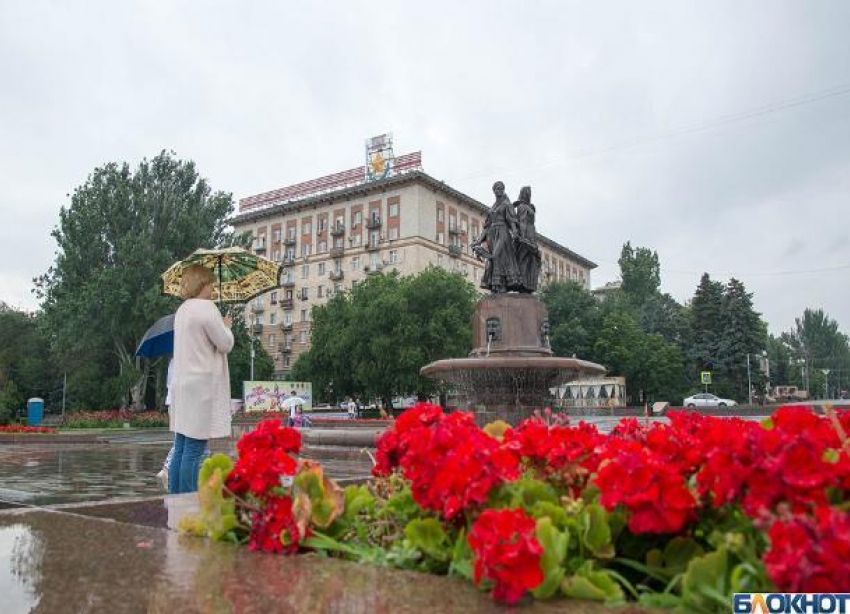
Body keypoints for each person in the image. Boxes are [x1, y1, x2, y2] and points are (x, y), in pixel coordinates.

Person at [169, 264, 234, 494]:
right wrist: (227, 327)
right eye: (210, 284)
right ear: (201, 284)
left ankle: (174, 497)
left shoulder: (182, 311)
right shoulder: (207, 309)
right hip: (201, 387)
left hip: (183, 384)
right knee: (194, 449)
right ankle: (186, 499)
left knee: (181, 446)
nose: (213, 289)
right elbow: (224, 344)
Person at [513, 186, 541, 293]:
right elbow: (522, 222)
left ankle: (528, 284)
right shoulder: (522, 206)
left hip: (531, 234)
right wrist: (523, 238)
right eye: (527, 193)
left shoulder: (528, 206)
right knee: (524, 259)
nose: (528, 195)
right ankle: (522, 283)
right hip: (526, 235)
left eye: (529, 193)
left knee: (531, 260)